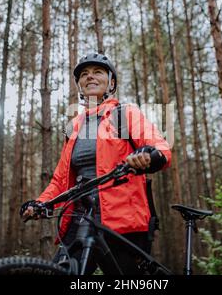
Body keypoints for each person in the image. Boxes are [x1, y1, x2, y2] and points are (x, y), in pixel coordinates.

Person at [20, 53, 171, 274]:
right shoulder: (74, 127)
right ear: (79, 85)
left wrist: (148, 156)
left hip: (121, 219)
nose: (90, 77)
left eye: (97, 72)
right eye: (84, 74)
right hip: (79, 216)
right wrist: (41, 202)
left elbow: (161, 148)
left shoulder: (124, 114)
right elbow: (62, 180)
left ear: (111, 82)